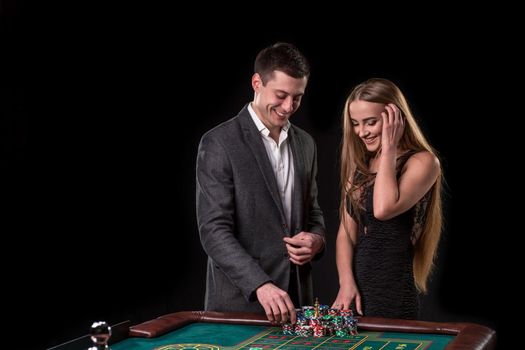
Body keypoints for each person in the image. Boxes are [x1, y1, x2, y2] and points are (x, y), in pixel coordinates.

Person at [196, 43, 326, 324]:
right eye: (280, 95)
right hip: (240, 304)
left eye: (297, 97)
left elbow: (313, 213)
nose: (289, 107)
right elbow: (213, 231)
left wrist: (317, 239)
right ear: (257, 82)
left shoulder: (306, 144)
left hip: (298, 302)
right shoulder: (218, 142)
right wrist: (260, 285)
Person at [332, 78, 443, 319]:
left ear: (395, 118)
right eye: (355, 124)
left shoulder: (423, 162)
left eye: (371, 122)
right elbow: (346, 234)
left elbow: (383, 209)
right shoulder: (359, 168)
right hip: (356, 293)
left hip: (393, 293)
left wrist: (389, 146)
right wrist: (346, 283)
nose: (362, 132)